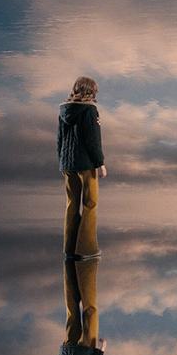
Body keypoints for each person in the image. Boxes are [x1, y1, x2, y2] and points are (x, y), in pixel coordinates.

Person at [58, 76, 107, 260]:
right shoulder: (90, 110)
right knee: (90, 203)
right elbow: (92, 140)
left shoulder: (64, 110)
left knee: (71, 204)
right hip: (85, 164)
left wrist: (62, 162)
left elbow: (60, 139)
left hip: (68, 164)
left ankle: (69, 250)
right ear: (91, 91)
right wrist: (100, 163)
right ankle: (86, 249)